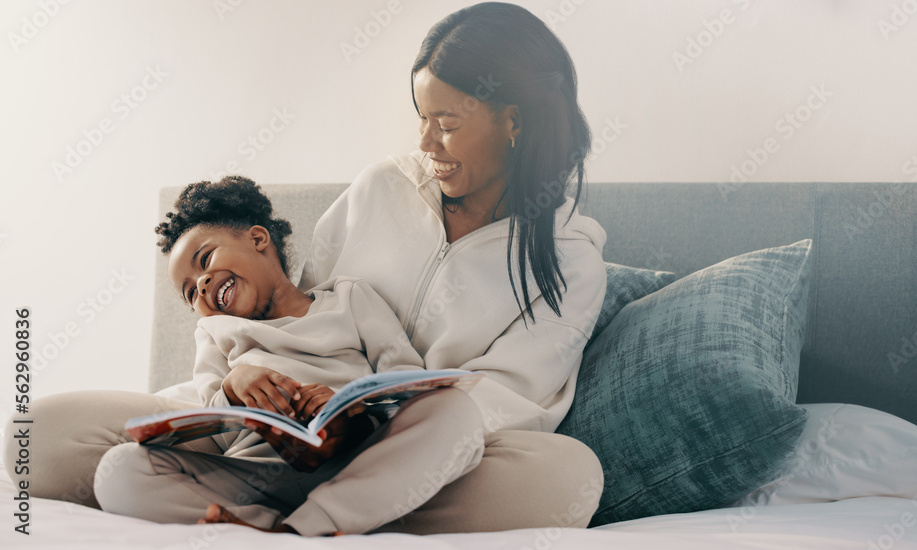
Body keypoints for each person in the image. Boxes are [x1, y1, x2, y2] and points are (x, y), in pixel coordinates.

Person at [4, 2, 607, 535]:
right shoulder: (382, 187)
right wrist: (255, 394)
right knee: (38, 437)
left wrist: (364, 417)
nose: (426, 143)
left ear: (515, 120)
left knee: (566, 474)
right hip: (273, 425)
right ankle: (320, 513)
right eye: (421, 117)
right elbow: (299, 308)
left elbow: (513, 402)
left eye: (447, 124)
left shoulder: (571, 257)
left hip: (416, 449)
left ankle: (316, 516)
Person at [93, 176, 487, 536]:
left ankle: (308, 525)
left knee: (454, 410)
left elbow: (404, 378)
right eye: (191, 292)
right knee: (119, 469)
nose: (203, 285)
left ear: (259, 239)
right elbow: (213, 418)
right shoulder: (215, 332)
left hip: (356, 462)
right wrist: (234, 387)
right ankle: (275, 527)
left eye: (206, 261)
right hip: (261, 475)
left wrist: (350, 410)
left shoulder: (349, 298)